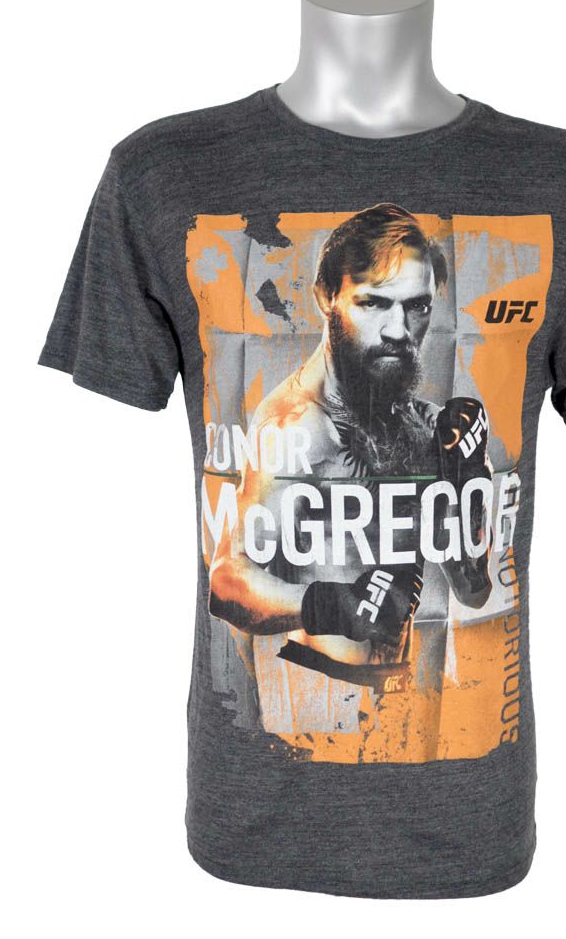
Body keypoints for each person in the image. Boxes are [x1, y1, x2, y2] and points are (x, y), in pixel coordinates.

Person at [207, 202, 494, 725]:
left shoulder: (419, 423)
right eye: (373, 303)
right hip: (318, 696)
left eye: (417, 307)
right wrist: (332, 604)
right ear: (327, 296)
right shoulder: (296, 426)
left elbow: (473, 591)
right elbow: (227, 581)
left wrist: (469, 477)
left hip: (400, 697)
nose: (398, 330)